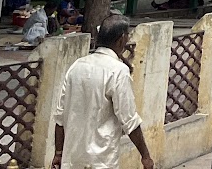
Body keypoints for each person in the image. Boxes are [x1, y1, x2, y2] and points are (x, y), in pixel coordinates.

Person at [52, 15, 154, 169]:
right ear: (121, 39)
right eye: (128, 35)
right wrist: (146, 156)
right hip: (101, 160)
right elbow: (129, 120)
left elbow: (60, 118)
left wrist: (58, 154)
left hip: (72, 159)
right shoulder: (118, 71)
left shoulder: (76, 66)